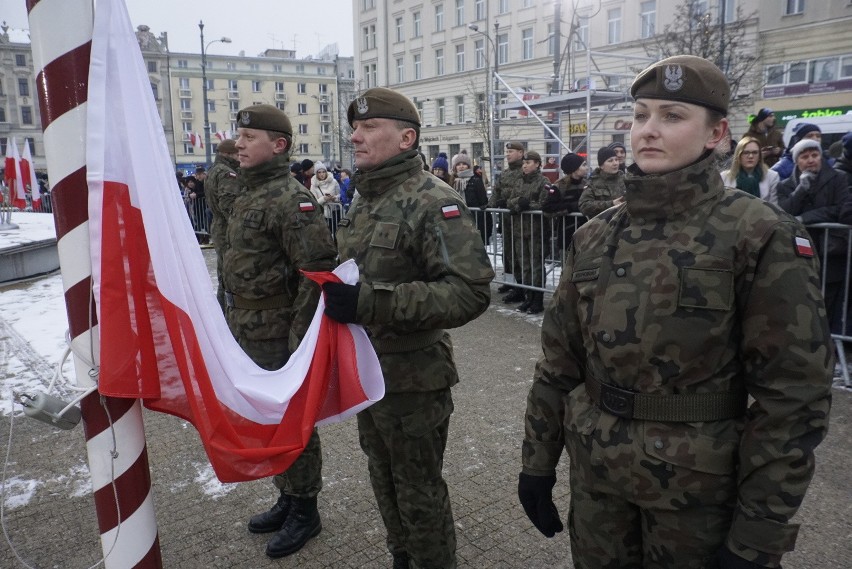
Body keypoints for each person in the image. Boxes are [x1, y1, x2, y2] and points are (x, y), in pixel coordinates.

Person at [519, 55, 833, 569]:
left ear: (717, 133)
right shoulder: (595, 236)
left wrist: (759, 533)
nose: (648, 130)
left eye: (672, 116)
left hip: (698, 496)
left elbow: (793, 396)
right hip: (598, 480)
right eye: (641, 115)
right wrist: (537, 461)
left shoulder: (758, 233)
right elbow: (558, 363)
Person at [320, 87, 494, 569]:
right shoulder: (366, 197)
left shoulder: (433, 201)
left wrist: (369, 302)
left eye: (369, 127)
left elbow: (470, 291)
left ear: (406, 138)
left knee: (418, 487)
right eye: (354, 127)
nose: (355, 136)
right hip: (368, 370)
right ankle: (403, 555)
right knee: (382, 474)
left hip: (415, 378)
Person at [225, 104, 337, 559]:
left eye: (249, 137)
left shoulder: (293, 199)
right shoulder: (248, 193)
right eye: (239, 136)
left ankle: (305, 509)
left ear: (279, 145)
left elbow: (316, 273)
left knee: (293, 422)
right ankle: (287, 497)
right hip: (247, 328)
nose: (239, 144)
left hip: (278, 333)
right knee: (268, 419)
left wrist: (299, 343)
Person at [778, 138, 849, 335]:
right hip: (797, 253)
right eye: (805, 156)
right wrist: (801, 190)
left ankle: (827, 345)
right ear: (797, 161)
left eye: (814, 155)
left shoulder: (838, 178)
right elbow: (784, 212)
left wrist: (805, 218)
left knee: (828, 304)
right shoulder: (786, 185)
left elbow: (840, 209)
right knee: (800, 301)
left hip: (831, 251)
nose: (810, 160)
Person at [505, 150, 549, 314]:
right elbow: (510, 201)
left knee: (536, 266)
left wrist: (528, 205)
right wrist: (518, 203)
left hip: (535, 231)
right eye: (523, 163)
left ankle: (537, 300)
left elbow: (544, 203)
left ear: (537, 164)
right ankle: (527, 297)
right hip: (519, 230)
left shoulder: (543, 181)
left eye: (528, 163)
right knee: (524, 265)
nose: (525, 166)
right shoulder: (518, 182)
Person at [204, 138, 240, 309]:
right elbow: (229, 205)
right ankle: (226, 314)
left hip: (219, 227)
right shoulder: (227, 173)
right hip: (227, 228)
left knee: (223, 275)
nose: (240, 156)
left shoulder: (213, 170)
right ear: (228, 154)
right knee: (228, 276)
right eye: (237, 153)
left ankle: (222, 313)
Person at [488, 141, 526, 301]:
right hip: (507, 220)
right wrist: (489, 205)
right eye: (507, 151)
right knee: (508, 253)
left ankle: (522, 286)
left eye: (511, 151)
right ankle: (511, 283)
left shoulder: (525, 172)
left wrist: (508, 202)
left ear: (521, 153)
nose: (508, 154)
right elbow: (497, 192)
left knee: (520, 255)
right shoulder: (505, 173)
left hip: (522, 221)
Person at [541, 153, 587, 256]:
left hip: (586, 235)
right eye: (583, 165)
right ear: (574, 168)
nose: (586, 168)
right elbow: (547, 209)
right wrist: (571, 207)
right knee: (567, 269)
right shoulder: (559, 186)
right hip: (567, 236)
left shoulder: (587, 184)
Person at [721, 136, 780, 204]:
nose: (751, 156)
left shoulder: (772, 177)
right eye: (746, 153)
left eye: (755, 153)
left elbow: (774, 207)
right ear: (738, 155)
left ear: (759, 156)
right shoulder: (724, 177)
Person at [451, 150, 490, 244]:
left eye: (464, 164)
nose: (461, 166)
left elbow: (483, 200)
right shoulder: (452, 181)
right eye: (458, 164)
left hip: (474, 220)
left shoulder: (476, 180)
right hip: (457, 221)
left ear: (468, 166)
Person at [578, 146, 626, 218]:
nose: (615, 163)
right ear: (601, 166)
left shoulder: (625, 179)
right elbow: (584, 206)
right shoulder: (593, 182)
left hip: (625, 225)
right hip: (603, 226)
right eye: (610, 161)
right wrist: (611, 204)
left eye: (616, 160)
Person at [309, 161, 342, 234]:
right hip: (322, 214)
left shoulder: (333, 181)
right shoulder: (314, 185)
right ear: (316, 173)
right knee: (326, 234)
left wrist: (334, 198)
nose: (322, 174)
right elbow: (314, 201)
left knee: (337, 233)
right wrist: (324, 199)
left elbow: (340, 195)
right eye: (319, 172)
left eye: (323, 172)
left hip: (335, 212)